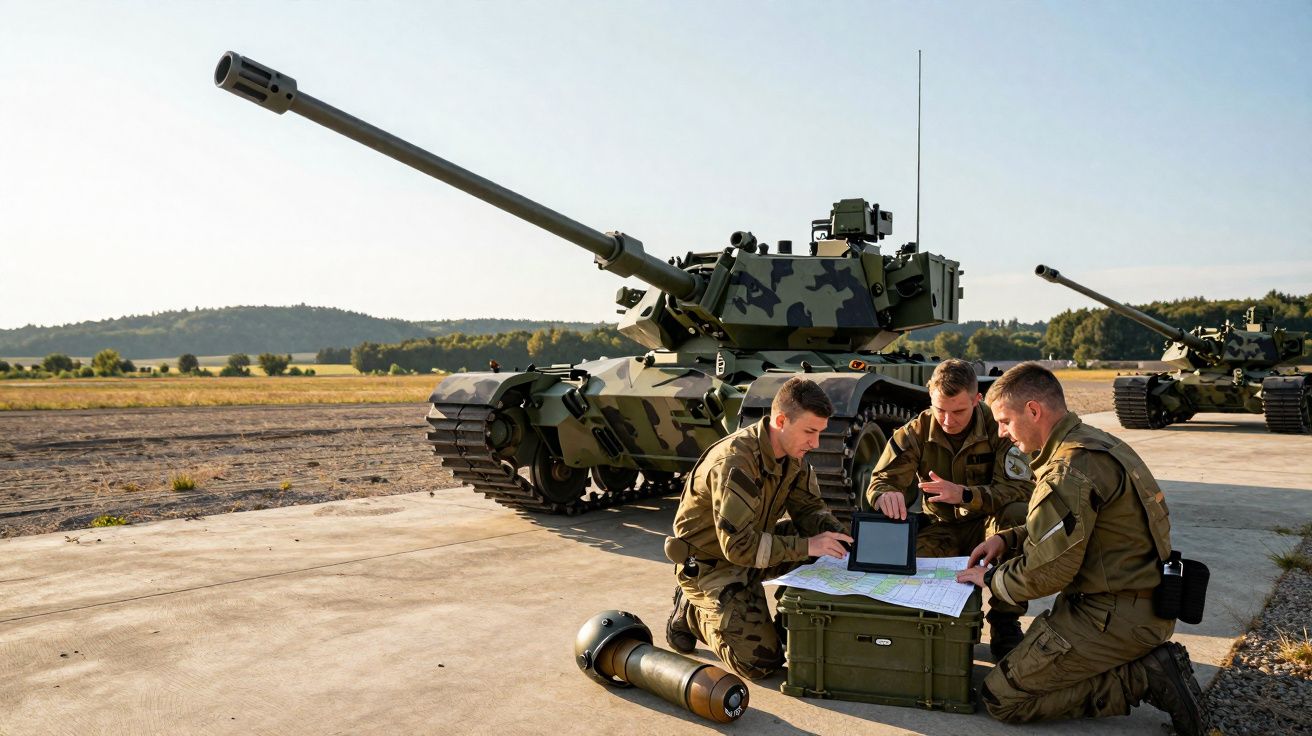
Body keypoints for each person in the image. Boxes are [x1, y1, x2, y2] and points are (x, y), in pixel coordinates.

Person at [955, 362, 1208, 735]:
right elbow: (1075, 526)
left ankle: (1143, 676)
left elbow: (1046, 573)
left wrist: (990, 578)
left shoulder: (1067, 470)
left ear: (1034, 411)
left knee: (1001, 697)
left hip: (1112, 616)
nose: (1002, 433)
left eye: (1005, 421)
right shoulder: (1094, 443)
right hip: (1138, 601)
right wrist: (1008, 538)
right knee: (1023, 666)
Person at [664, 376, 851, 680]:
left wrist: (839, 537)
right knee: (761, 664)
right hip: (713, 565)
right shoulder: (736, 462)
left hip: (753, 549)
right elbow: (737, 548)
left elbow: (809, 509)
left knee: (828, 549)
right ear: (781, 420)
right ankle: (692, 612)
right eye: (810, 432)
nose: (815, 443)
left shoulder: (793, 456)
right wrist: (807, 546)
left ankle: (790, 621)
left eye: (820, 433)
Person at [865, 359, 1034, 658]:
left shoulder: (1000, 427)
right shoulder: (916, 431)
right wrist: (884, 495)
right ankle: (932, 624)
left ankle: (1005, 621)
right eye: (939, 409)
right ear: (929, 397)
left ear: (976, 399)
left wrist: (966, 495)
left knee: (1017, 517)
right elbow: (881, 481)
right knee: (907, 564)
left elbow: (1021, 488)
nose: (946, 420)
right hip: (941, 528)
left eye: (958, 411)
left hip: (989, 525)